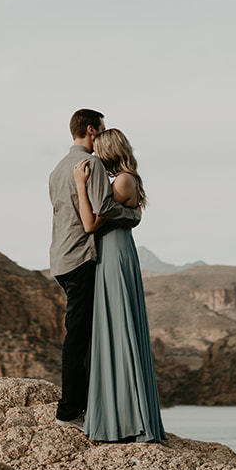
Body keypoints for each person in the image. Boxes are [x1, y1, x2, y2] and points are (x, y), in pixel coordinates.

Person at [48, 109, 140, 427]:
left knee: (81, 334)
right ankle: (70, 411)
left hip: (60, 259)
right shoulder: (93, 165)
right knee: (79, 338)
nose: (101, 137)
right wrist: (133, 215)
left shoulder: (57, 169)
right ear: (91, 130)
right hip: (82, 258)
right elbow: (101, 211)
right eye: (100, 131)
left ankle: (87, 405)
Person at [72, 128, 165, 443]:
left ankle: (126, 420)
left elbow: (90, 222)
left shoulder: (124, 180)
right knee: (112, 328)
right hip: (111, 253)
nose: (94, 157)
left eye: (98, 151)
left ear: (109, 150)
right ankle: (119, 415)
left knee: (119, 329)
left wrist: (81, 186)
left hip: (115, 255)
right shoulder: (123, 180)